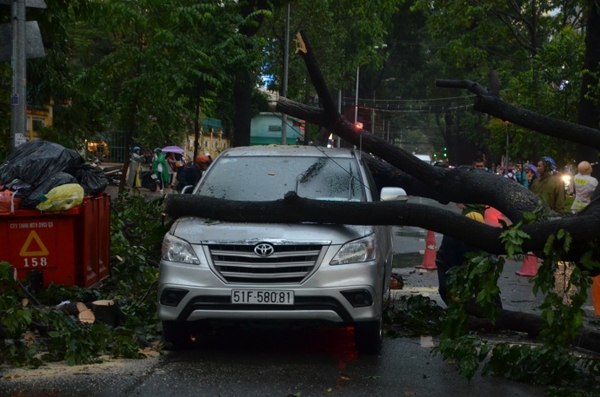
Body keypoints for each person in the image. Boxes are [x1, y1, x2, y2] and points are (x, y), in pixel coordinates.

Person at [435, 211, 503, 308]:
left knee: (487, 289)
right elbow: (451, 265)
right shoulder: (452, 238)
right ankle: (456, 312)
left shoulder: (485, 236)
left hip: (474, 262)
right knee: (445, 289)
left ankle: (498, 315)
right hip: (447, 262)